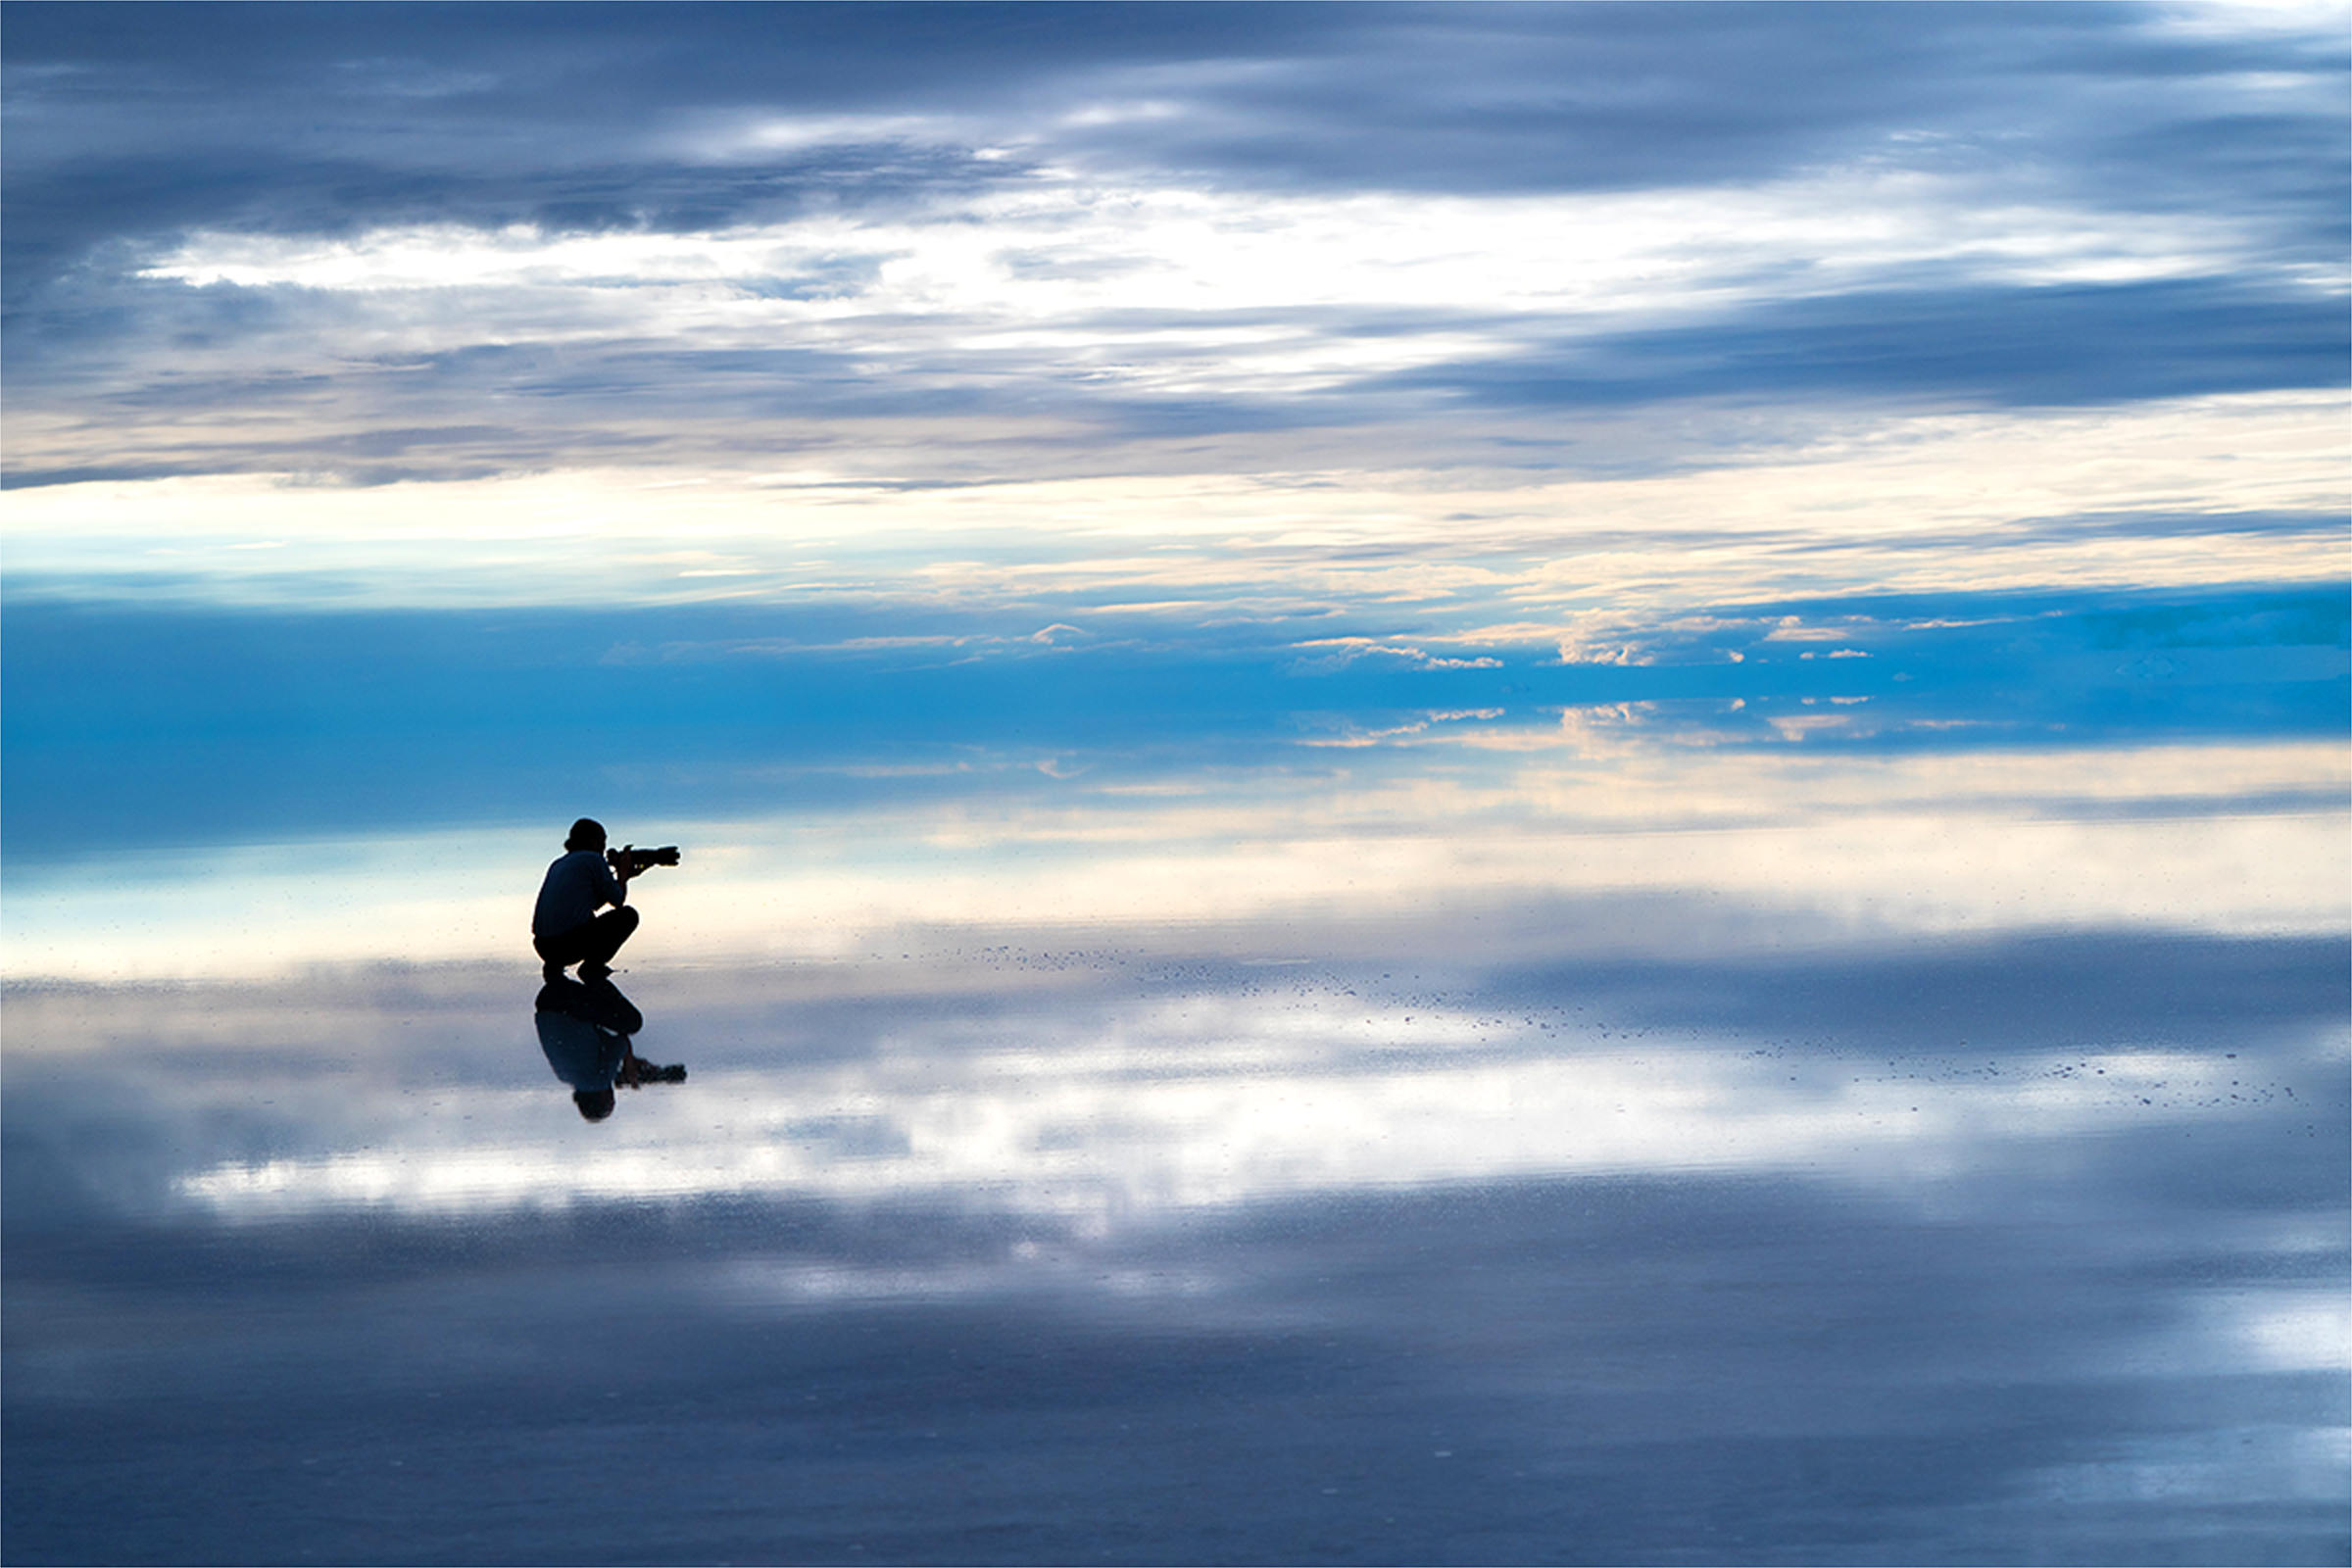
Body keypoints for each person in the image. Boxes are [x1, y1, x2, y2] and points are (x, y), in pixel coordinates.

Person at [532, 817, 640, 982]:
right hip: (567, 945)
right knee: (628, 915)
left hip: (543, 946)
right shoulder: (593, 859)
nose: (604, 848)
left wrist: (619, 879)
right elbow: (618, 901)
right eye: (602, 842)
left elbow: (593, 904)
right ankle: (592, 966)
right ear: (592, 841)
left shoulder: (558, 863)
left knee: (588, 917)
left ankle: (554, 966)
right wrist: (623, 874)